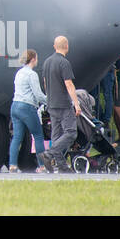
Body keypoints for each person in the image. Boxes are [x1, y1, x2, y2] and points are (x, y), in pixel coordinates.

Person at [40, 35, 80, 173]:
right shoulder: (64, 63)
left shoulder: (46, 62)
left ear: (54, 46)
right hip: (63, 104)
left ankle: (62, 166)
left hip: (51, 103)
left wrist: (50, 96)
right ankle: (49, 154)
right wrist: (76, 103)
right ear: (67, 46)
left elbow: (45, 83)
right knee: (71, 132)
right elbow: (69, 84)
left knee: (56, 136)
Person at [8, 49, 46, 172]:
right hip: (27, 107)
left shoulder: (18, 73)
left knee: (17, 137)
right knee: (38, 135)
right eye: (37, 58)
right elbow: (38, 95)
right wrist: (49, 101)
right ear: (33, 59)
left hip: (15, 106)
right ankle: (42, 166)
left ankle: (12, 165)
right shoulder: (32, 74)